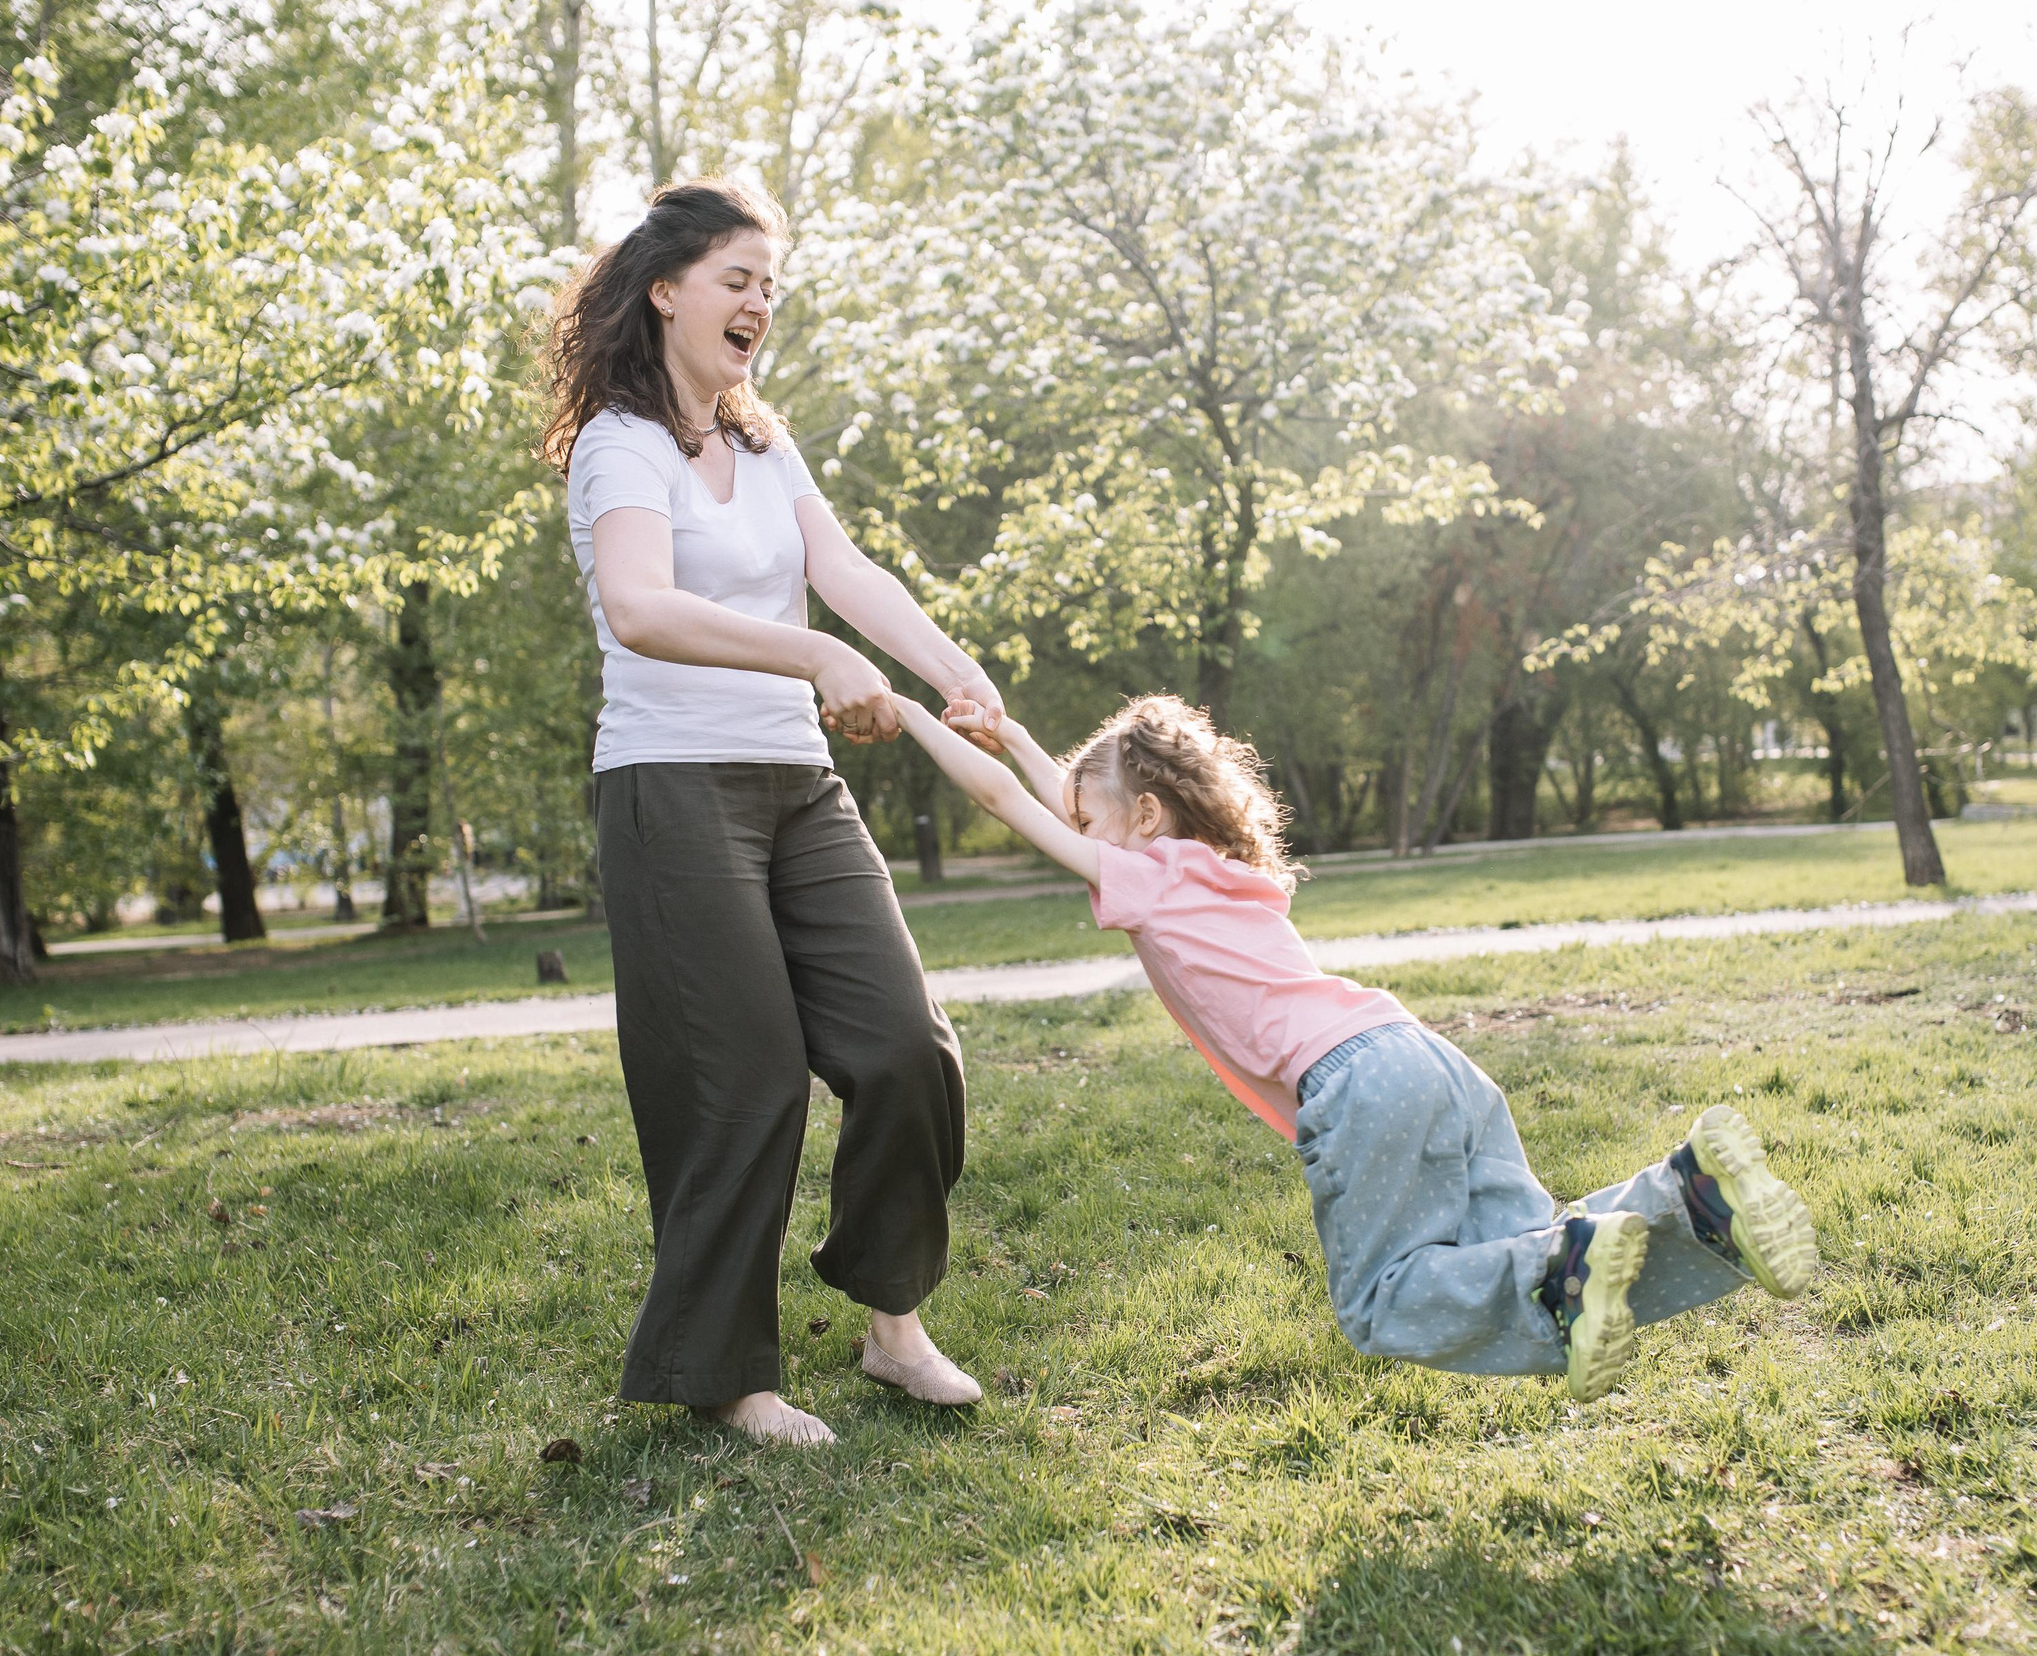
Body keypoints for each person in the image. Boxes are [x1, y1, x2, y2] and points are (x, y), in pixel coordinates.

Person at [891, 692, 1819, 1398]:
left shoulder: (1148, 875)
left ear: (1143, 818)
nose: (1076, 836)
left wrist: (907, 713)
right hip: (1422, 1054)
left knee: (1387, 1302)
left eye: (1088, 822)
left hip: (1354, 1084)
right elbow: (1062, 796)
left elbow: (1006, 803)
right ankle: (1690, 1197)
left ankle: (1566, 1267)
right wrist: (1013, 732)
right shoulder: (1219, 869)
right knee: (1530, 1249)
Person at [538, 179, 1001, 1445]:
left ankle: (893, 1324)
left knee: (906, 1049)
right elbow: (640, 608)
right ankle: (728, 1376)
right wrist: (811, 657)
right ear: (665, 290)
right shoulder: (619, 445)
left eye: (770, 286)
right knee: (740, 1082)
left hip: (797, 785)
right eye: (736, 279)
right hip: (672, 785)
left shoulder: (760, 442)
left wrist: (951, 674)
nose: (758, 304)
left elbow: (840, 570)